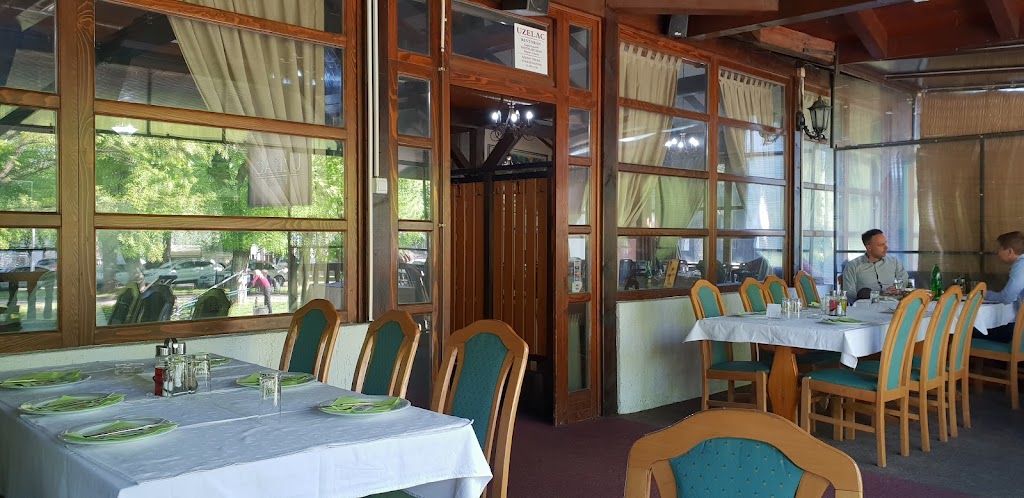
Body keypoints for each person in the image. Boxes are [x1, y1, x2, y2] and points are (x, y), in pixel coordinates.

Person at [973, 231, 1024, 343]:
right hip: (1019, 328)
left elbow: (1007, 298)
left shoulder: (1021, 266)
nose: (997, 252)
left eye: (999, 249)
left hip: (1019, 333)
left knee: (968, 332)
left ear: (1010, 251)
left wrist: (984, 294)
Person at [842, 229, 909, 303]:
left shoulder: (894, 262)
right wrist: (878, 295)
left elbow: (905, 281)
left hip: (894, 304)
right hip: (867, 305)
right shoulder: (853, 266)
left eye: (885, 243)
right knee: (864, 292)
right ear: (869, 248)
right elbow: (850, 294)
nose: (886, 247)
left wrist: (898, 290)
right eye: (881, 245)